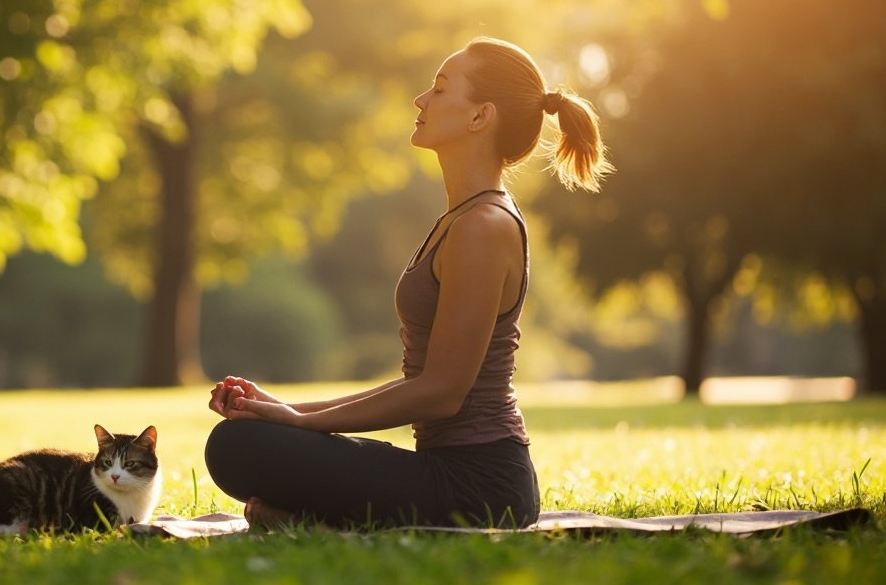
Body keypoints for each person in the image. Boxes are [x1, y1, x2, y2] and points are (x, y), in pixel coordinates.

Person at [204, 37, 612, 529]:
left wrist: (300, 423)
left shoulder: (483, 227)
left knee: (238, 448)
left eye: (440, 90)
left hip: (480, 489)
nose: (420, 100)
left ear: (480, 117)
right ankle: (314, 518)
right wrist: (283, 410)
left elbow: (442, 392)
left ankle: (317, 520)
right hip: (447, 472)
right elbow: (423, 382)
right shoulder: (462, 219)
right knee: (243, 440)